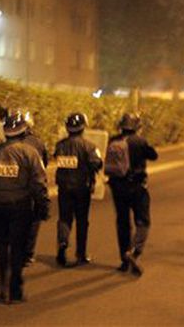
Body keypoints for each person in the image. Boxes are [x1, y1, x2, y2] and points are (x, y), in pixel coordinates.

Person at [0, 109, 49, 303]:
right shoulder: (30, 153)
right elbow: (39, 183)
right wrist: (42, 206)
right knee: (17, 249)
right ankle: (15, 289)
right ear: (23, 131)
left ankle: (1, 286)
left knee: (2, 246)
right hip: (20, 206)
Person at [105, 112, 158, 276]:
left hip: (117, 187)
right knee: (143, 221)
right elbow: (154, 155)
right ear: (136, 126)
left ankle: (123, 260)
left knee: (122, 222)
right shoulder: (140, 141)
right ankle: (134, 251)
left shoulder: (113, 140)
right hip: (137, 186)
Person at [53, 112, 103, 267]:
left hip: (64, 188)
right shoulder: (89, 146)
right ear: (83, 127)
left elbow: (57, 159)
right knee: (82, 221)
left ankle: (62, 243)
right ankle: (81, 254)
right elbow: (97, 163)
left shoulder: (60, 145)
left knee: (64, 218)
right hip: (82, 188)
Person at [19, 110, 49, 266]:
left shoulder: (7, 142)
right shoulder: (38, 142)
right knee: (34, 219)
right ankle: (28, 254)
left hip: (16, 186)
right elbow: (45, 164)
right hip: (33, 185)